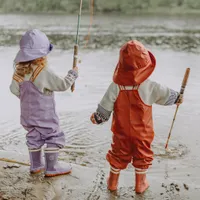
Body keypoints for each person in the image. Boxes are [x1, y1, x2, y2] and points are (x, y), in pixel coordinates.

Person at [90, 40, 182, 194]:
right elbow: (167, 95)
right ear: (145, 66)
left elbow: (105, 107)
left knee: (118, 154)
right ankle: (140, 184)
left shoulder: (115, 86)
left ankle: (112, 182)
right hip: (143, 134)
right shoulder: (149, 85)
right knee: (142, 156)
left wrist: (98, 117)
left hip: (121, 132)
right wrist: (178, 97)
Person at [10, 29, 78, 177]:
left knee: (34, 136)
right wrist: (72, 74)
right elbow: (63, 85)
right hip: (45, 116)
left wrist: (28, 99)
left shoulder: (18, 72)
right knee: (54, 135)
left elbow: (14, 90)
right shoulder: (43, 71)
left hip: (27, 116)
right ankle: (52, 167)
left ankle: (36, 165)